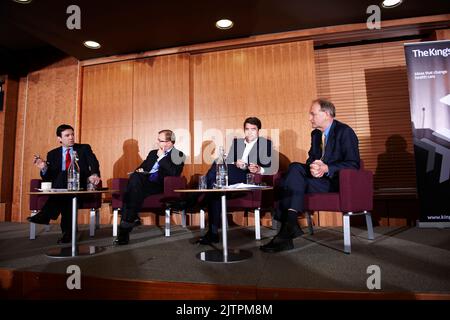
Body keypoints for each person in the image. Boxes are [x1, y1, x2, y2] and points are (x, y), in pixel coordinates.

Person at [260, 98, 360, 253]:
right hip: (317, 180)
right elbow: (311, 159)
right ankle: (289, 228)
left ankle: (286, 233)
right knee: (291, 173)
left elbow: (354, 164)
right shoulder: (315, 134)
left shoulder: (344, 132)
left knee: (288, 180)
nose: (309, 118)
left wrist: (326, 168)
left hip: (334, 181)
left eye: (313, 114)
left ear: (326, 114)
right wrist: (313, 167)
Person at [197, 117, 274, 245]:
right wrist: (235, 162)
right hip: (232, 173)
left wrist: (258, 169)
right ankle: (213, 232)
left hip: (248, 175)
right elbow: (228, 161)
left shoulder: (265, 144)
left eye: (253, 129)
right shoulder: (237, 143)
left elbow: (269, 167)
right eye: (247, 129)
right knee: (216, 177)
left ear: (258, 130)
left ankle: (200, 197)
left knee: (214, 180)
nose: (250, 132)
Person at [27, 124, 101, 243]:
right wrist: (44, 167)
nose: (71, 137)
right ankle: (68, 234)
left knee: (65, 175)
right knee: (67, 196)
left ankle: (46, 214)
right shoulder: (52, 154)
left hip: (79, 185)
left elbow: (94, 163)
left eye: (72, 134)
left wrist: (95, 174)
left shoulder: (84, 148)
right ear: (59, 139)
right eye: (67, 135)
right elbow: (48, 177)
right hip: (61, 190)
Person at [114, 129, 185, 245]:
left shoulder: (179, 155)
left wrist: (162, 158)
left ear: (169, 142)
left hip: (160, 186)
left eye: (160, 140)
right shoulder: (153, 153)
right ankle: (129, 223)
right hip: (144, 183)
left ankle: (125, 230)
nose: (158, 143)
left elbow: (174, 173)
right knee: (135, 180)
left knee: (131, 192)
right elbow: (141, 167)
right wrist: (139, 170)